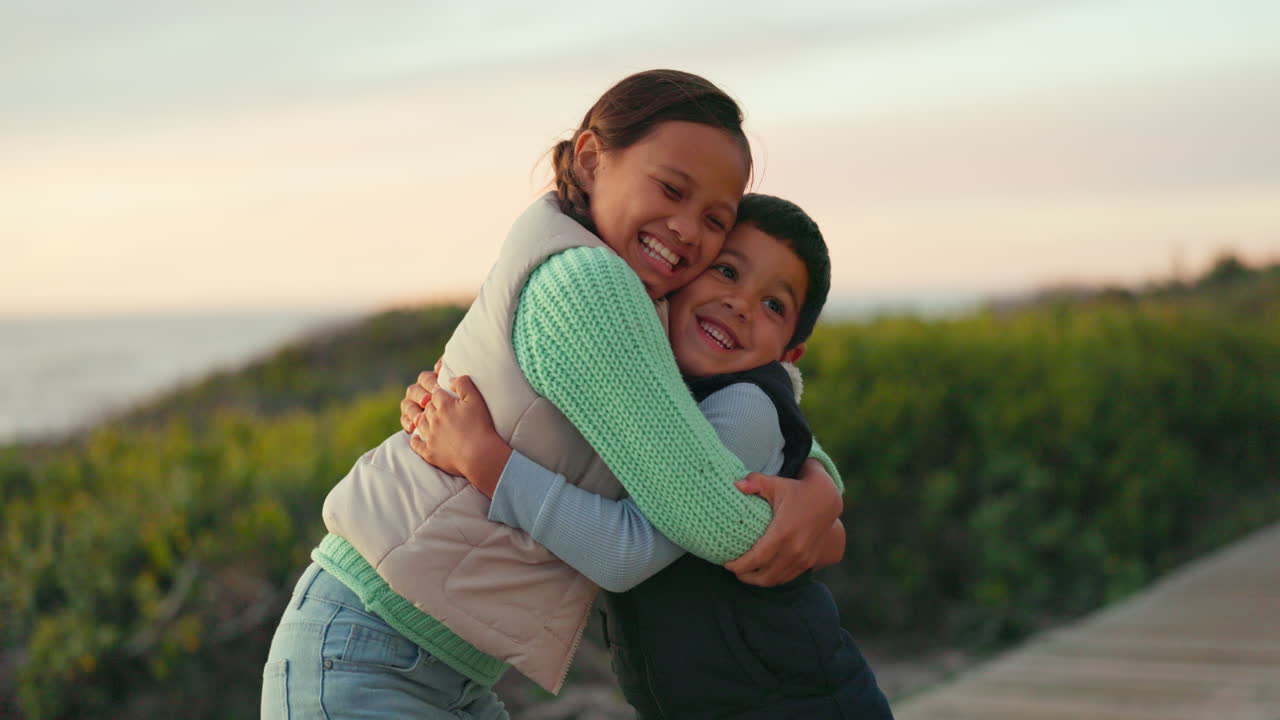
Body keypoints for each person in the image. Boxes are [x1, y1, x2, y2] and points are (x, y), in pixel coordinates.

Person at [261, 69, 845, 719]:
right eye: (671, 189)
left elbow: (718, 417)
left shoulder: (641, 293)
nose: (686, 228)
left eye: (714, 218)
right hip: (371, 649)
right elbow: (720, 518)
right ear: (593, 159)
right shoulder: (589, 285)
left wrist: (818, 483)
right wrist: (809, 513)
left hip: (432, 665)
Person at [412, 194, 894, 718]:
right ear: (678, 278)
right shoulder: (653, 387)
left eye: (774, 305)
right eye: (727, 271)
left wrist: (485, 461)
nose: (741, 304)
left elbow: (627, 551)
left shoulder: (747, 404)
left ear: (789, 354)